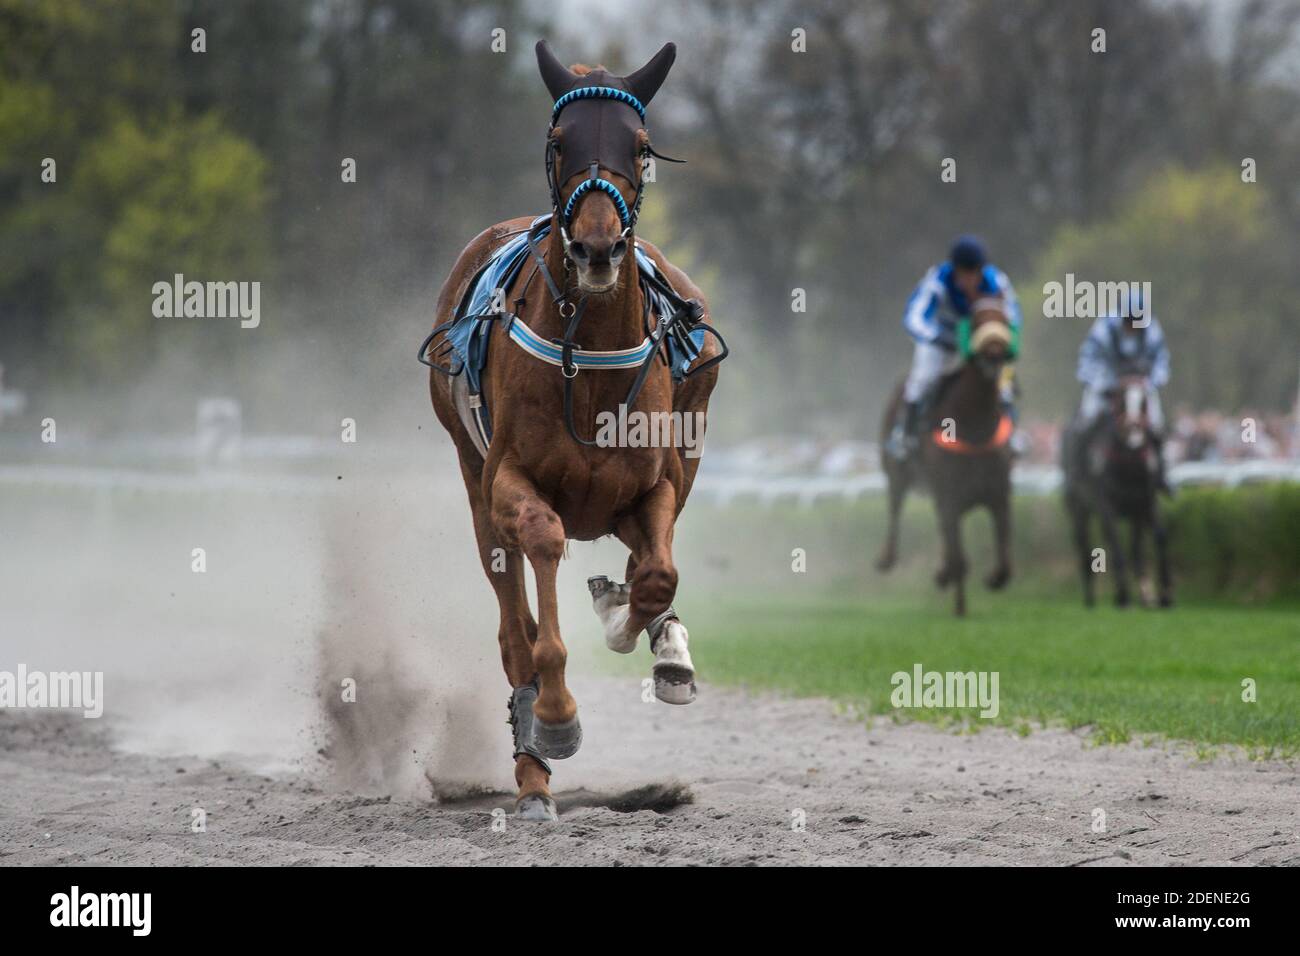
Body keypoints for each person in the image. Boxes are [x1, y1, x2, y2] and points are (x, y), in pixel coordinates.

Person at [886, 235, 1022, 460]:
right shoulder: (937, 281)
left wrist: (1002, 341)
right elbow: (914, 316)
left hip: (980, 346)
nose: (969, 279)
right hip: (943, 344)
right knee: (922, 380)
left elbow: (1014, 316)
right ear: (955, 269)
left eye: (974, 273)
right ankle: (904, 436)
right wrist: (937, 336)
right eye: (964, 273)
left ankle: (1012, 435)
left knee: (1004, 384)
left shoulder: (997, 281)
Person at [1074, 288, 1171, 492]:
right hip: (1106, 389)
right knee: (1086, 422)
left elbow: (1162, 363)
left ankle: (1162, 474)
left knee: (1157, 425)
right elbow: (1086, 363)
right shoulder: (1103, 330)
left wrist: (1151, 382)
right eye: (1129, 321)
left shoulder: (1152, 330)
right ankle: (1079, 475)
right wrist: (1106, 384)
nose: (1133, 327)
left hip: (1140, 388)